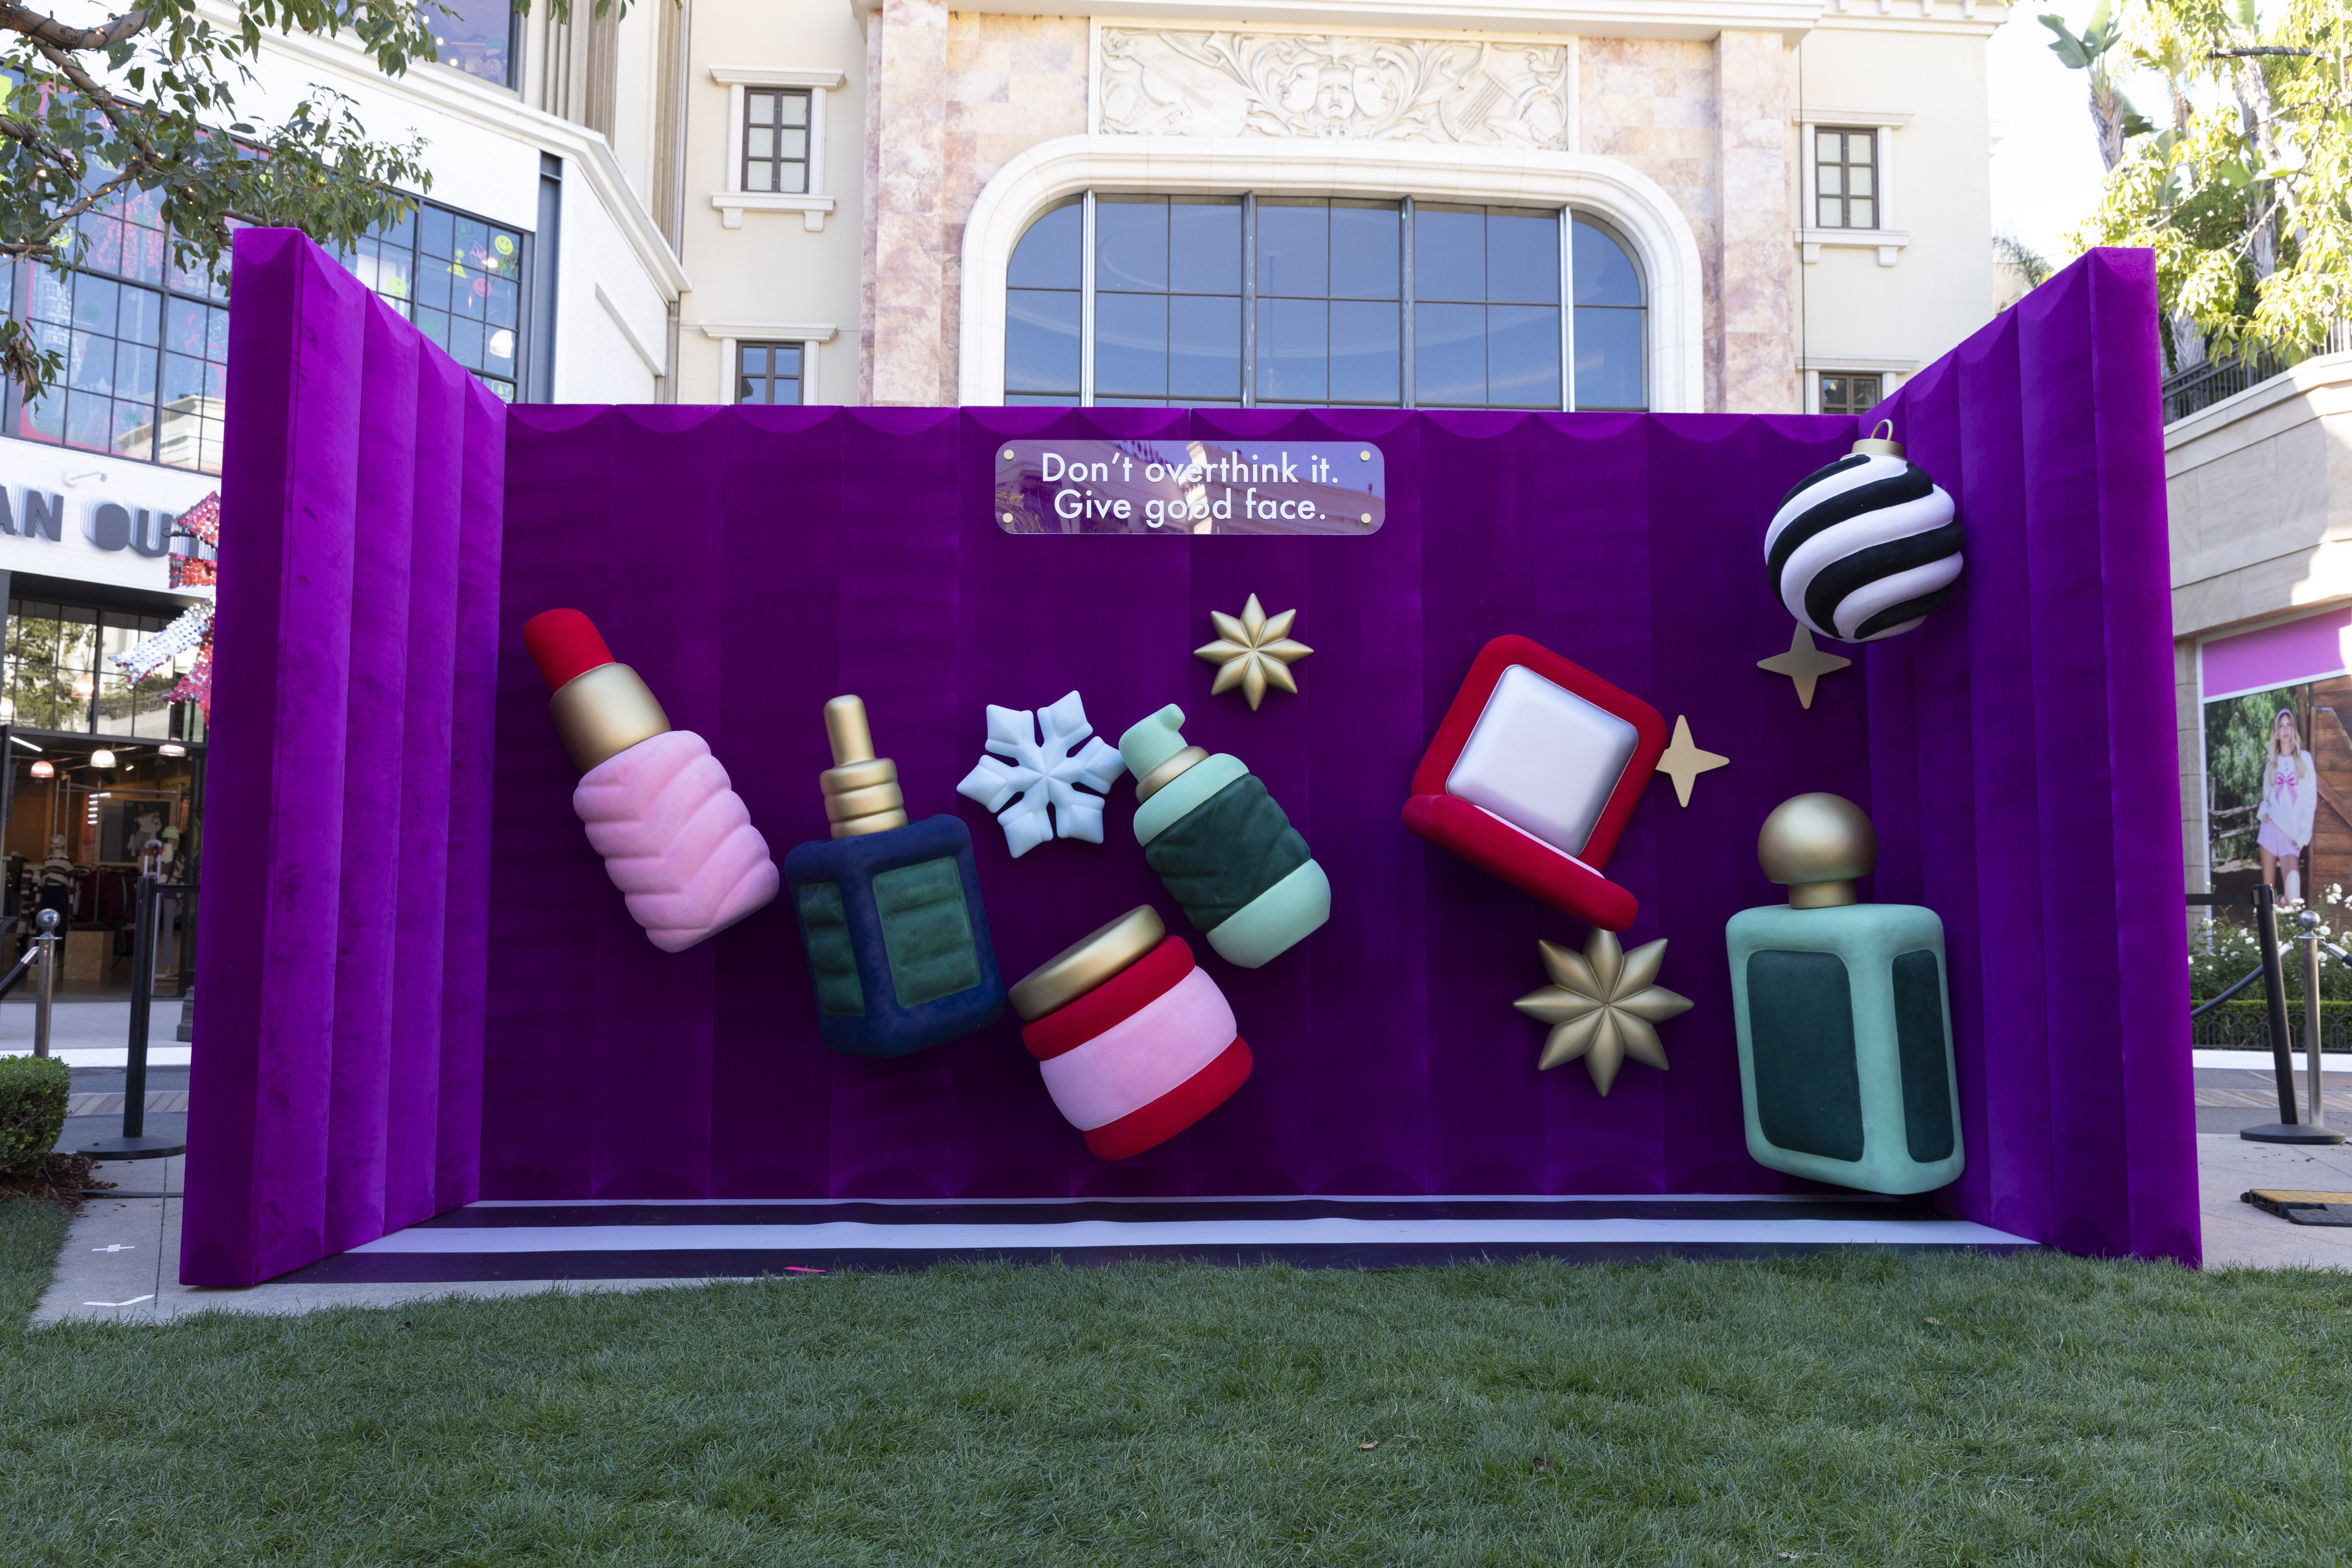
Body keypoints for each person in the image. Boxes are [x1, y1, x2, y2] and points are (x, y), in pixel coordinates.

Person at [2258, 707, 2319, 905]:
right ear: (2276, 733)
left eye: (2289, 725)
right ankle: (2271, 905)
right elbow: (2266, 800)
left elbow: (2310, 802)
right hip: (2270, 831)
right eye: (2281, 726)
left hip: (2291, 836)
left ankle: (2279, 902)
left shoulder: (2305, 759)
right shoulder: (2271, 765)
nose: (2285, 730)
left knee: (2294, 902)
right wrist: (2263, 813)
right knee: (2266, 896)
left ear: (2294, 730)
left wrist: (2303, 837)